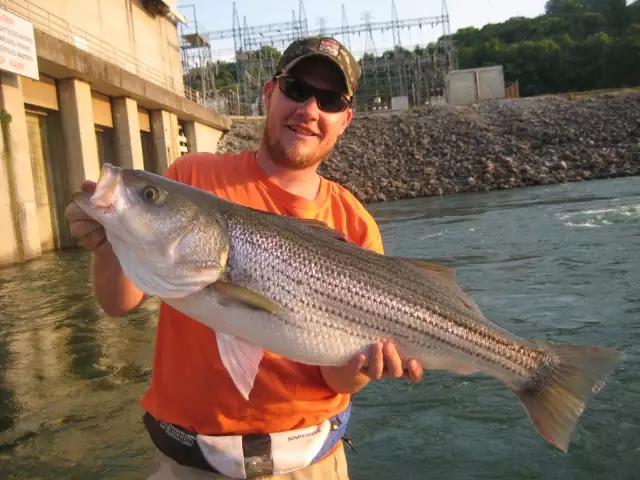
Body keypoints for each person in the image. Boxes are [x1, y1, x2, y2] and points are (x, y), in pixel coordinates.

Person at [65, 36, 424, 480]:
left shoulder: (354, 222)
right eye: (296, 89)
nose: (309, 109)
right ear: (270, 94)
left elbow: (336, 380)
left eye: (329, 99)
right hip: (186, 464)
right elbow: (118, 303)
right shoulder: (193, 176)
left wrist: (363, 369)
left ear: (344, 119)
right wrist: (108, 242)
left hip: (311, 465)